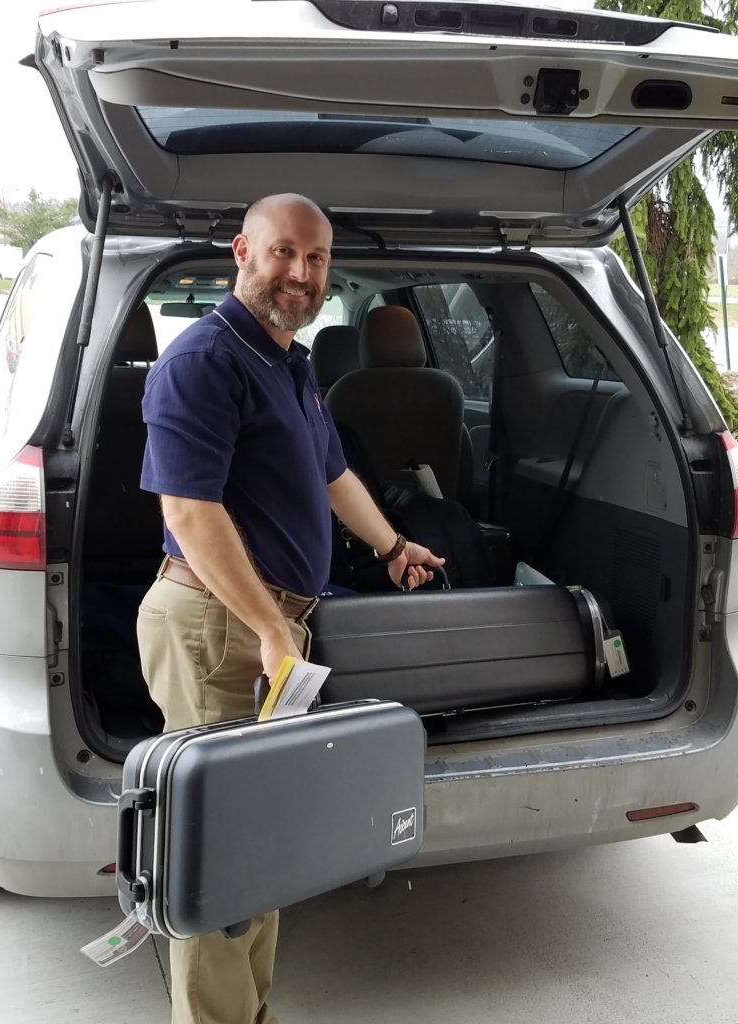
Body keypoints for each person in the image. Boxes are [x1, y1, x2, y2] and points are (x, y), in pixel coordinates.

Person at [136, 192, 443, 1024]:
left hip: (272, 630)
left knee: (262, 843)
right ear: (242, 250)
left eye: (315, 260)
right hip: (215, 629)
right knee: (213, 855)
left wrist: (390, 547)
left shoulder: (291, 362)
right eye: (283, 253)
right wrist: (272, 630)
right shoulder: (204, 361)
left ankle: (251, 1013)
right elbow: (188, 513)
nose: (301, 274)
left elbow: (334, 475)